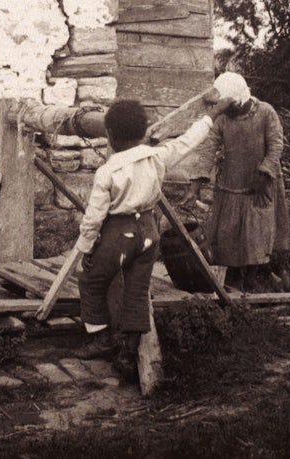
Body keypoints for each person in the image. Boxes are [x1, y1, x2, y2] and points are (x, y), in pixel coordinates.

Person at [75, 96, 234, 382]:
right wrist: (213, 113)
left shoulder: (107, 171)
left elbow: (94, 217)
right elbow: (189, 140)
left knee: (90, 279)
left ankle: (100, 338)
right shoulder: (158, 156)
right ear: (144, 132)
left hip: (119, 235)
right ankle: (128, 352)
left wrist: (86, 247)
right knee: (137, 290)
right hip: (149, 232)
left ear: (109, 135)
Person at [182, 72, 290, 292]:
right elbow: (208, 149)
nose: (227, 110)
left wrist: (264, 173)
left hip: (259, 183)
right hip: (232, 182)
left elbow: (276, 145)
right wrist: (195, 185)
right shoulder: (222, 118)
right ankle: (233, 275)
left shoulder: (265, 113)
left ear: (240, 98)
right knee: (229, 231)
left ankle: (252, 275)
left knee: (257, 231)